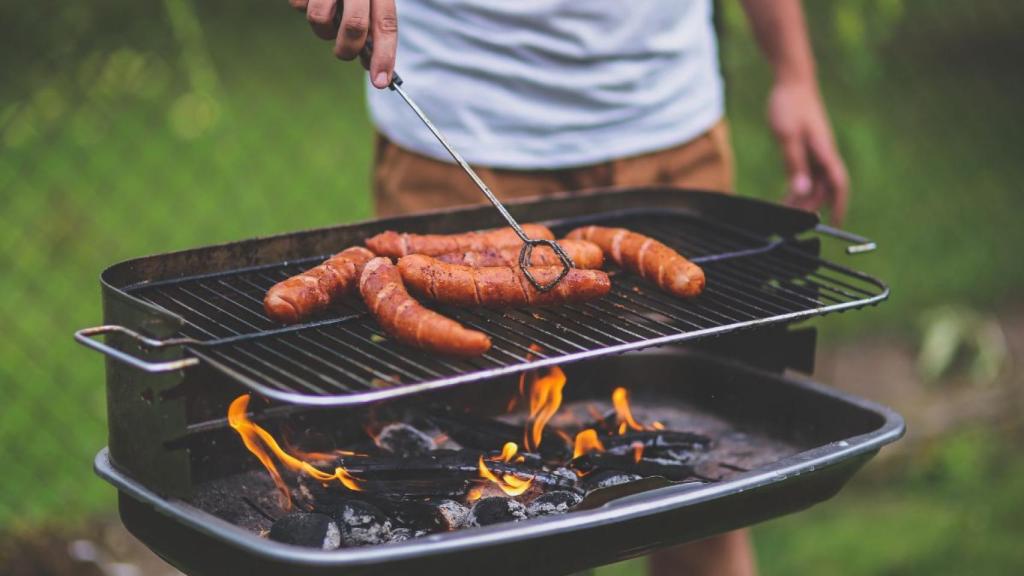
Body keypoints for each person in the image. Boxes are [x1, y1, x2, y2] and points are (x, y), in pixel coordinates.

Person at [288, 1, 848, 574]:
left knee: (698, 499)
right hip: (456, 129)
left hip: (669, 128)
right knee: (466, 506)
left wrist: (795, 74)